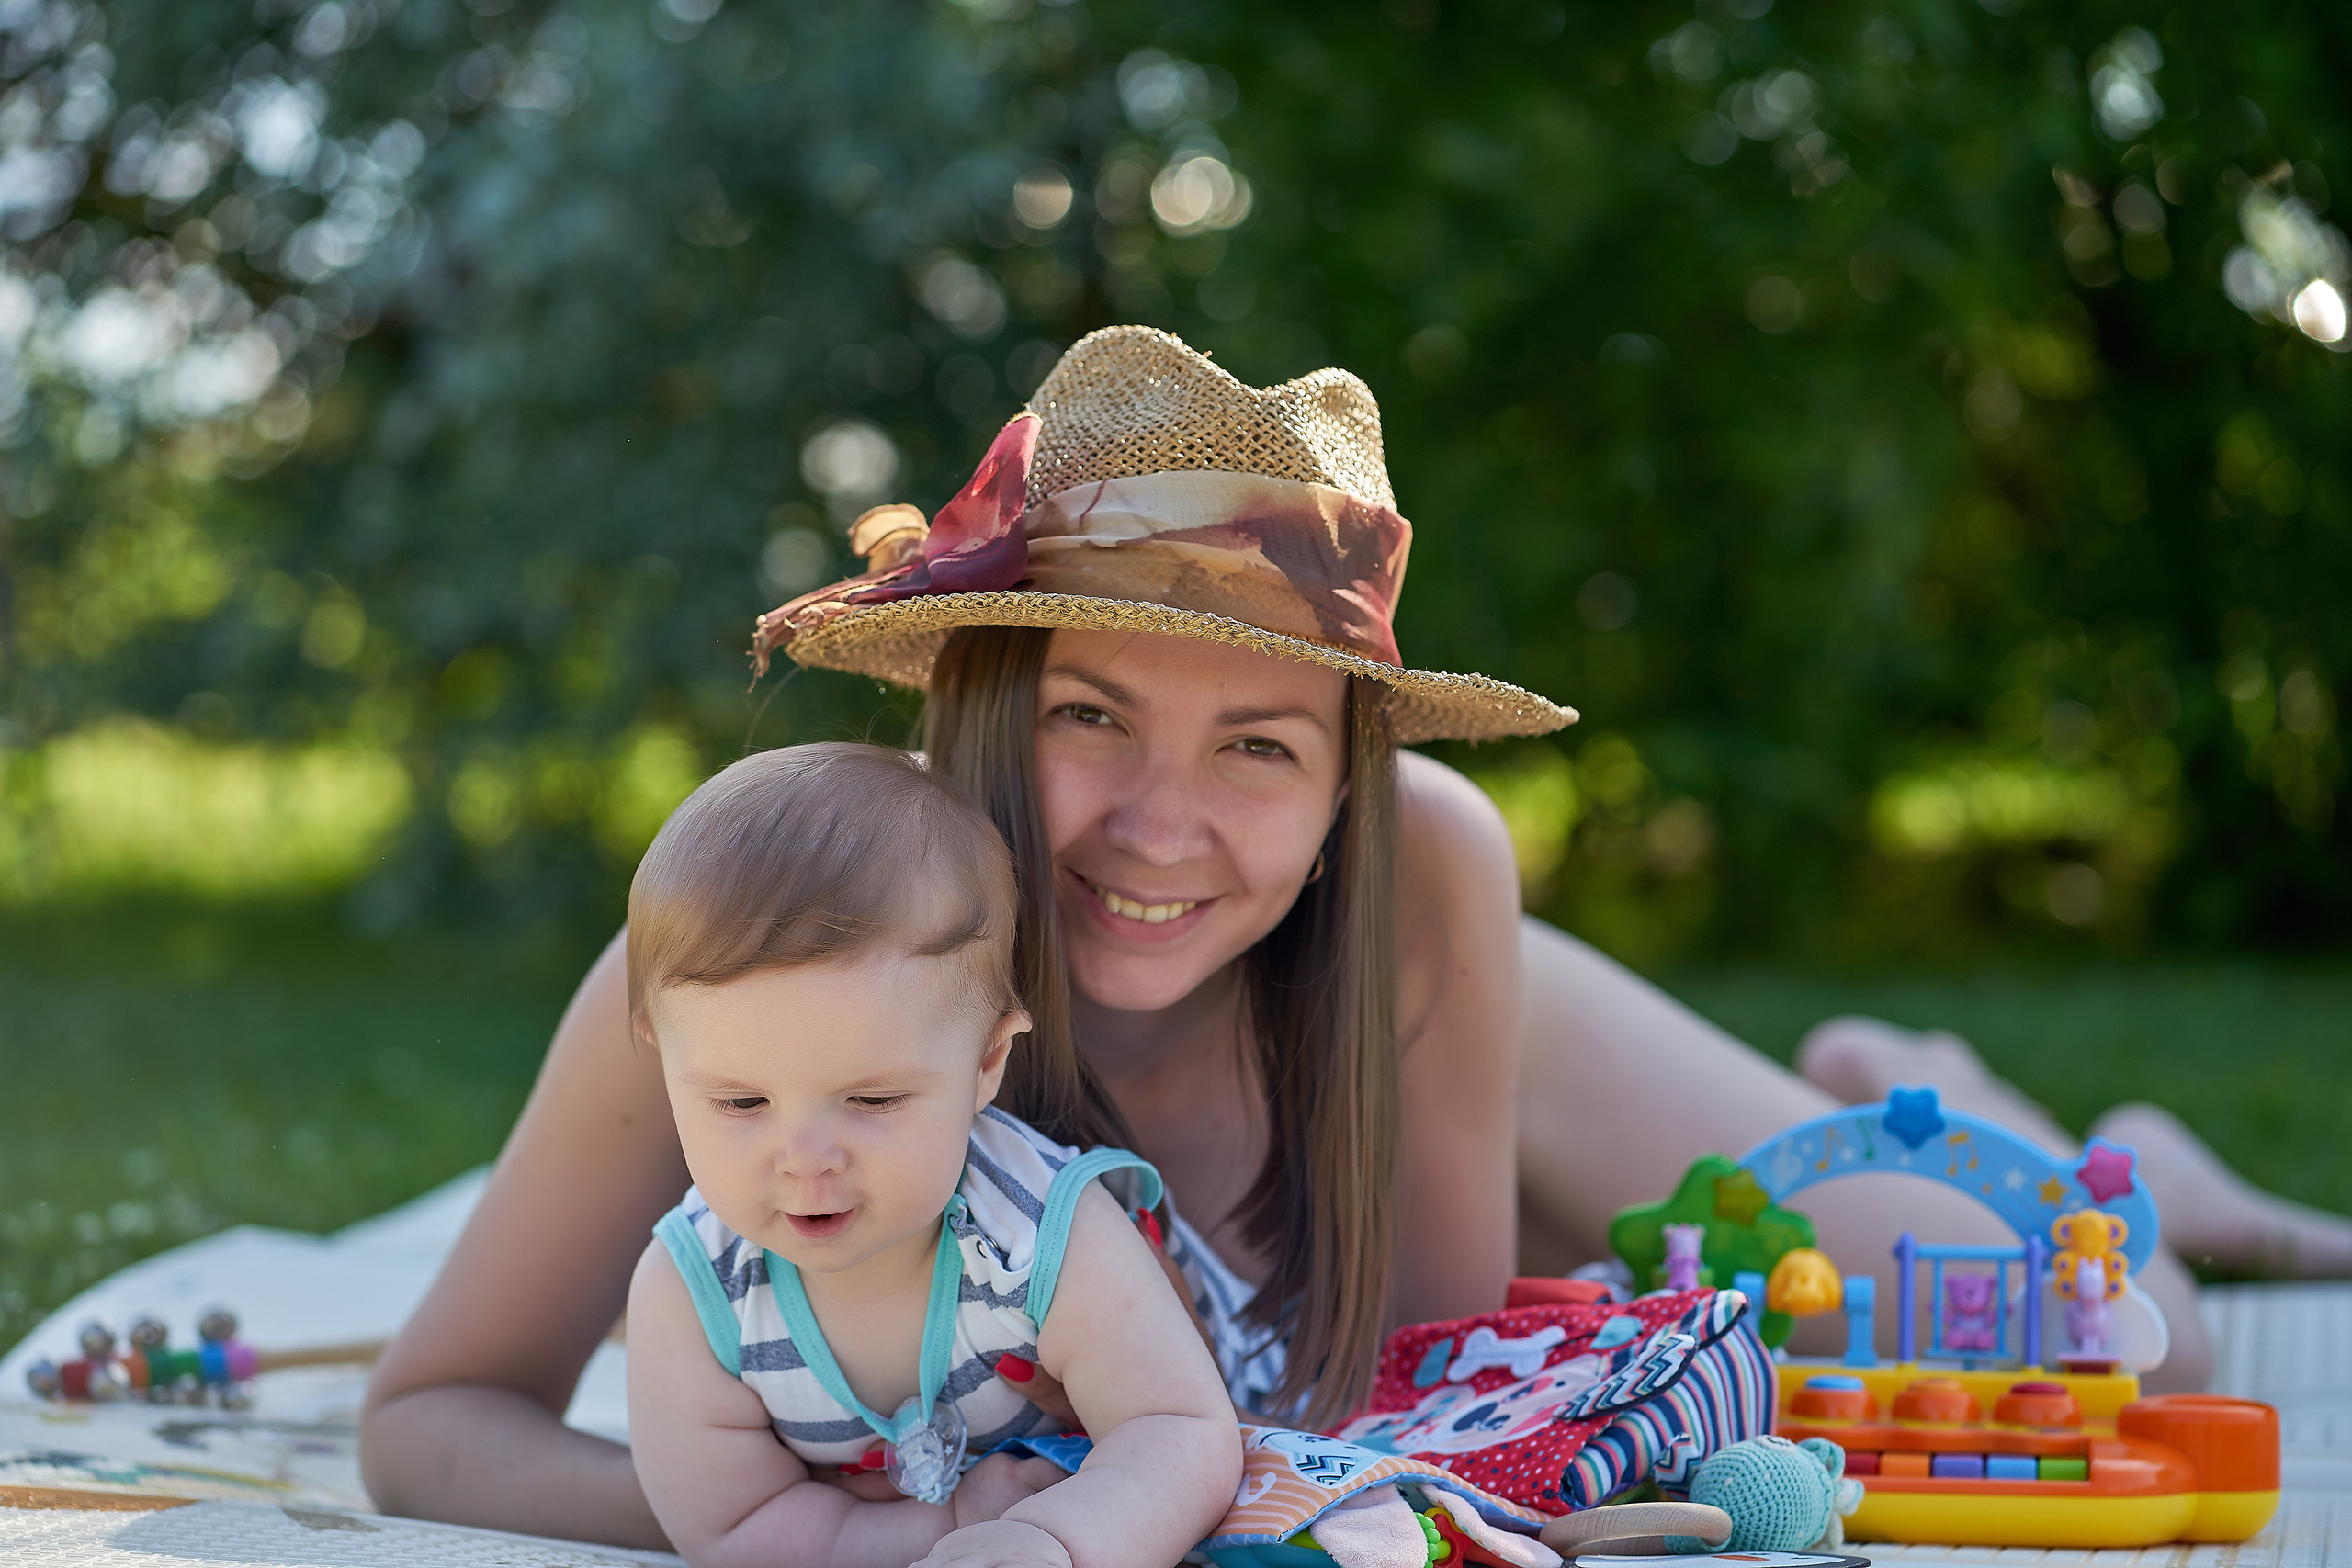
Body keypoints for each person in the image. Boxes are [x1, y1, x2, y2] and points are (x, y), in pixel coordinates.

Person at [362, 327, 2352, 1549]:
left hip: (1432, 1029)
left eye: (1256, 743)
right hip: (1371, 1182)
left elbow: (1430, 1395)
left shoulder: (1417, 869)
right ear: (972, 707)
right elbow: (426, 1419)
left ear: (1342, 784)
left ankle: (2043, 1127)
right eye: (1081, 718)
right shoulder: (763, 977)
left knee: (2113, 1323)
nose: (1159, 827)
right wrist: (762, 1518)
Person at [620, 742, 1237, 1568]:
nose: (805, 1160)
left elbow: (1182, 1428)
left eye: (872, 1100)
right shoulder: (696, 1296)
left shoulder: (1041, 1234)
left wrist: (1052, 1541)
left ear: (986, 1062)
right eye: (741, 1102)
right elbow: (734, 1527)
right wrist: (945, 1534)